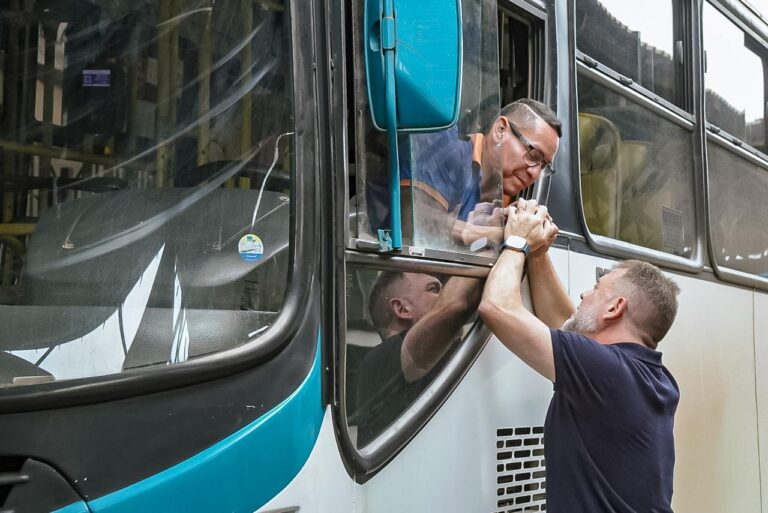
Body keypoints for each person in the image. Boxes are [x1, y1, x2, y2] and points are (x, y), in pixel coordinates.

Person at [479, 198, 681, 513]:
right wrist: (539, 253)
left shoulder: (605, 371)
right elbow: (565, 326)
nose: (584, 295)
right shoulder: (653, 378)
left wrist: (517, 240)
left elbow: (497, 307)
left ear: (615, 308)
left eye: (596, 288)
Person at [367, 99, 562, 248]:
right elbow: (415, 223)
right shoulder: (445, 145)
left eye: (543, 166)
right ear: (500, 130)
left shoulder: (498, 194)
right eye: (534, 155)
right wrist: (509, 234)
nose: (534, 173)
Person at [353, 271, 481, 446]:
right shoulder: (378, 360)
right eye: (434, 289)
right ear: (402, 309)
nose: (445, 295)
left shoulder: (449, 354)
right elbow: (454, 306)